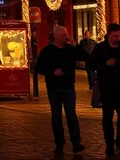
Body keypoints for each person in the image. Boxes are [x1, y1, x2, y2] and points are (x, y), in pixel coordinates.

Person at [36, 25, 87, 155]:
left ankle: (76, 143)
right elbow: (39, 67)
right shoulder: (47, 50)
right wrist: (53, 72)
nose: (66, 37)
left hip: (68, 87)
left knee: (71, 115)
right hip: (54, 87)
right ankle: (59, 143)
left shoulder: (70, 49)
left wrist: (76, 45)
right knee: (56, 116)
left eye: (67, 34)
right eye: (64, 35)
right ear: (56, 36)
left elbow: (85, 57)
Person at [91, 23, 120, 156]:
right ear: (109, 34)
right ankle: (109, 144)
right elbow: (91, 63)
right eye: (115, 36)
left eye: (119, 35)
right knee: (107, 118)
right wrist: (105, 63)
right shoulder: (100, 48)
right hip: (107, 89)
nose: (117, 38)